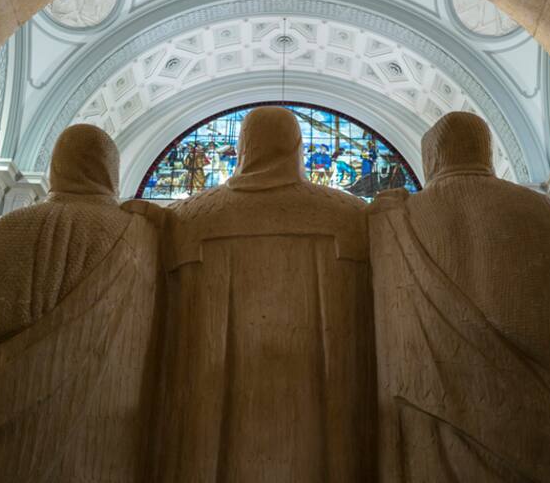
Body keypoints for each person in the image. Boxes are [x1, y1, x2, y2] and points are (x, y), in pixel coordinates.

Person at [368, 112, 550, 483]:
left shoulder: (390, 218)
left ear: (430, 159)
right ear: (487, 153)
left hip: (430, 443)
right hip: (547, 443)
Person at [135, 107, 377, 482]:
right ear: (297, 147)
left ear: (243, 148)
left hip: (207, 417)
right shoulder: (350, 214)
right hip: (325, 422)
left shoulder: (188, 217)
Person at [0, 124, 162, 483]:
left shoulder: (4, 230)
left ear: (55, 168)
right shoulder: (143, 236)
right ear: (112, 172)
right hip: (100, 455)